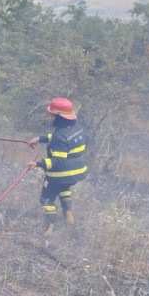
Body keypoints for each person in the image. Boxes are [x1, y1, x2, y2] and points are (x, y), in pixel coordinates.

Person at [27, 98, 88, 236]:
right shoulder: (77, 128)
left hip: (60, 174)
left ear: (58, 117)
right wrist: (40, 138)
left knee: (46, 198)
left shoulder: (59, 138)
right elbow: (60, 138)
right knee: (63, 187)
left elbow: (58, 161)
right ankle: (68, 213)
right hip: (77, 172)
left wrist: (37, 164)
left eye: (52, 115)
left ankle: (49, 227)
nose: (50, 117)